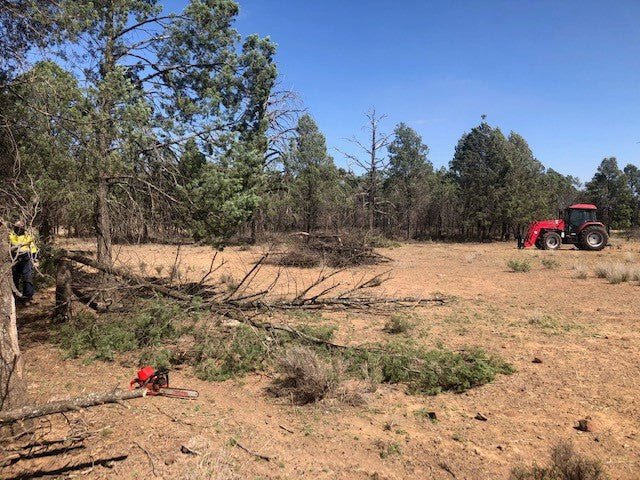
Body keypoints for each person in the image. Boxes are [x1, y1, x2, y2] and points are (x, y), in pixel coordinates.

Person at [9, 220, 39, 303]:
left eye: (21, 228)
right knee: (15, 277)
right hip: (14, 258)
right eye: (17, 227)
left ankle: (28, 297)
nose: (19, 229)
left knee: (27, 277)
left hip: (26, 258)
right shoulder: (10, 235)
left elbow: (33, 247)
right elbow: (10, 245)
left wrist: (35, 258)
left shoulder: (28, 236)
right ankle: (15, 297)